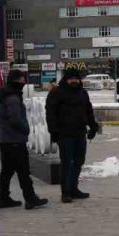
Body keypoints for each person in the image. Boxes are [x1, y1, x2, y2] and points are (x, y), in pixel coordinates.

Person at [0, 69, 48, 210]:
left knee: (7, 170)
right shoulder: (12, 98)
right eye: (22, 79)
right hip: (14, 140)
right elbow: (15, 120)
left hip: (5, 140)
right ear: (17, 81)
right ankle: (30, 198)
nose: (24, 82)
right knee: (23, 170)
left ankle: (3, 198)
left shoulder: (4, 96)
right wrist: (26, 129)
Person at [45, 68, 99, 203]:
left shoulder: (82, 93)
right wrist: (53, 131)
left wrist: (93, 126)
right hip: (64, 134)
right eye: (71, 79)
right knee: (67, 163)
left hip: (80, 132)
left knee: (79, 162)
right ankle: (66, 192)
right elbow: (50, 114)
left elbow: (89, 111)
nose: (74, 81)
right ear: (66, 79)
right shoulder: (56, 93)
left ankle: (74, 188)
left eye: (76, 78)